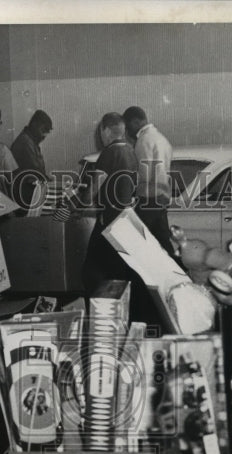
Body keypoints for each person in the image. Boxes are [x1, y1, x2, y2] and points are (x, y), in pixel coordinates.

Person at [80, 112, 161, 328]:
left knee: (92, 274)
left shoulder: (109, 153)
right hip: (126, 219)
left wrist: (78, 201)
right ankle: (125, 320)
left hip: (109, 222)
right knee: (120, 274)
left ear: (105, 130)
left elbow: (93, 190)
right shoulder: (130, 151)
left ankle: (101, 326)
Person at [122, 105, 176, 259]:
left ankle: (141, 282)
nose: (127, 132)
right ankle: (181, 274)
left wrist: (131, 191)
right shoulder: (162, 138)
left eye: (127, 127)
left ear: (134, 122)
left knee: (139, 245)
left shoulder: (143, 140)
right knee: (163, 241)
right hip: (162, 197)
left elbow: (143, 175)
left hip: (149, 199)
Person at [10, 109, 52, 209]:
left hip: (30, 195)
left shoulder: (30, 141)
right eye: (43, 130)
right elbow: (35, 172)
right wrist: (52, 184)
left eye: (47, 132)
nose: (44, 136)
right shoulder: (25, 143)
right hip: (26, 198)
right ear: (34, 125)